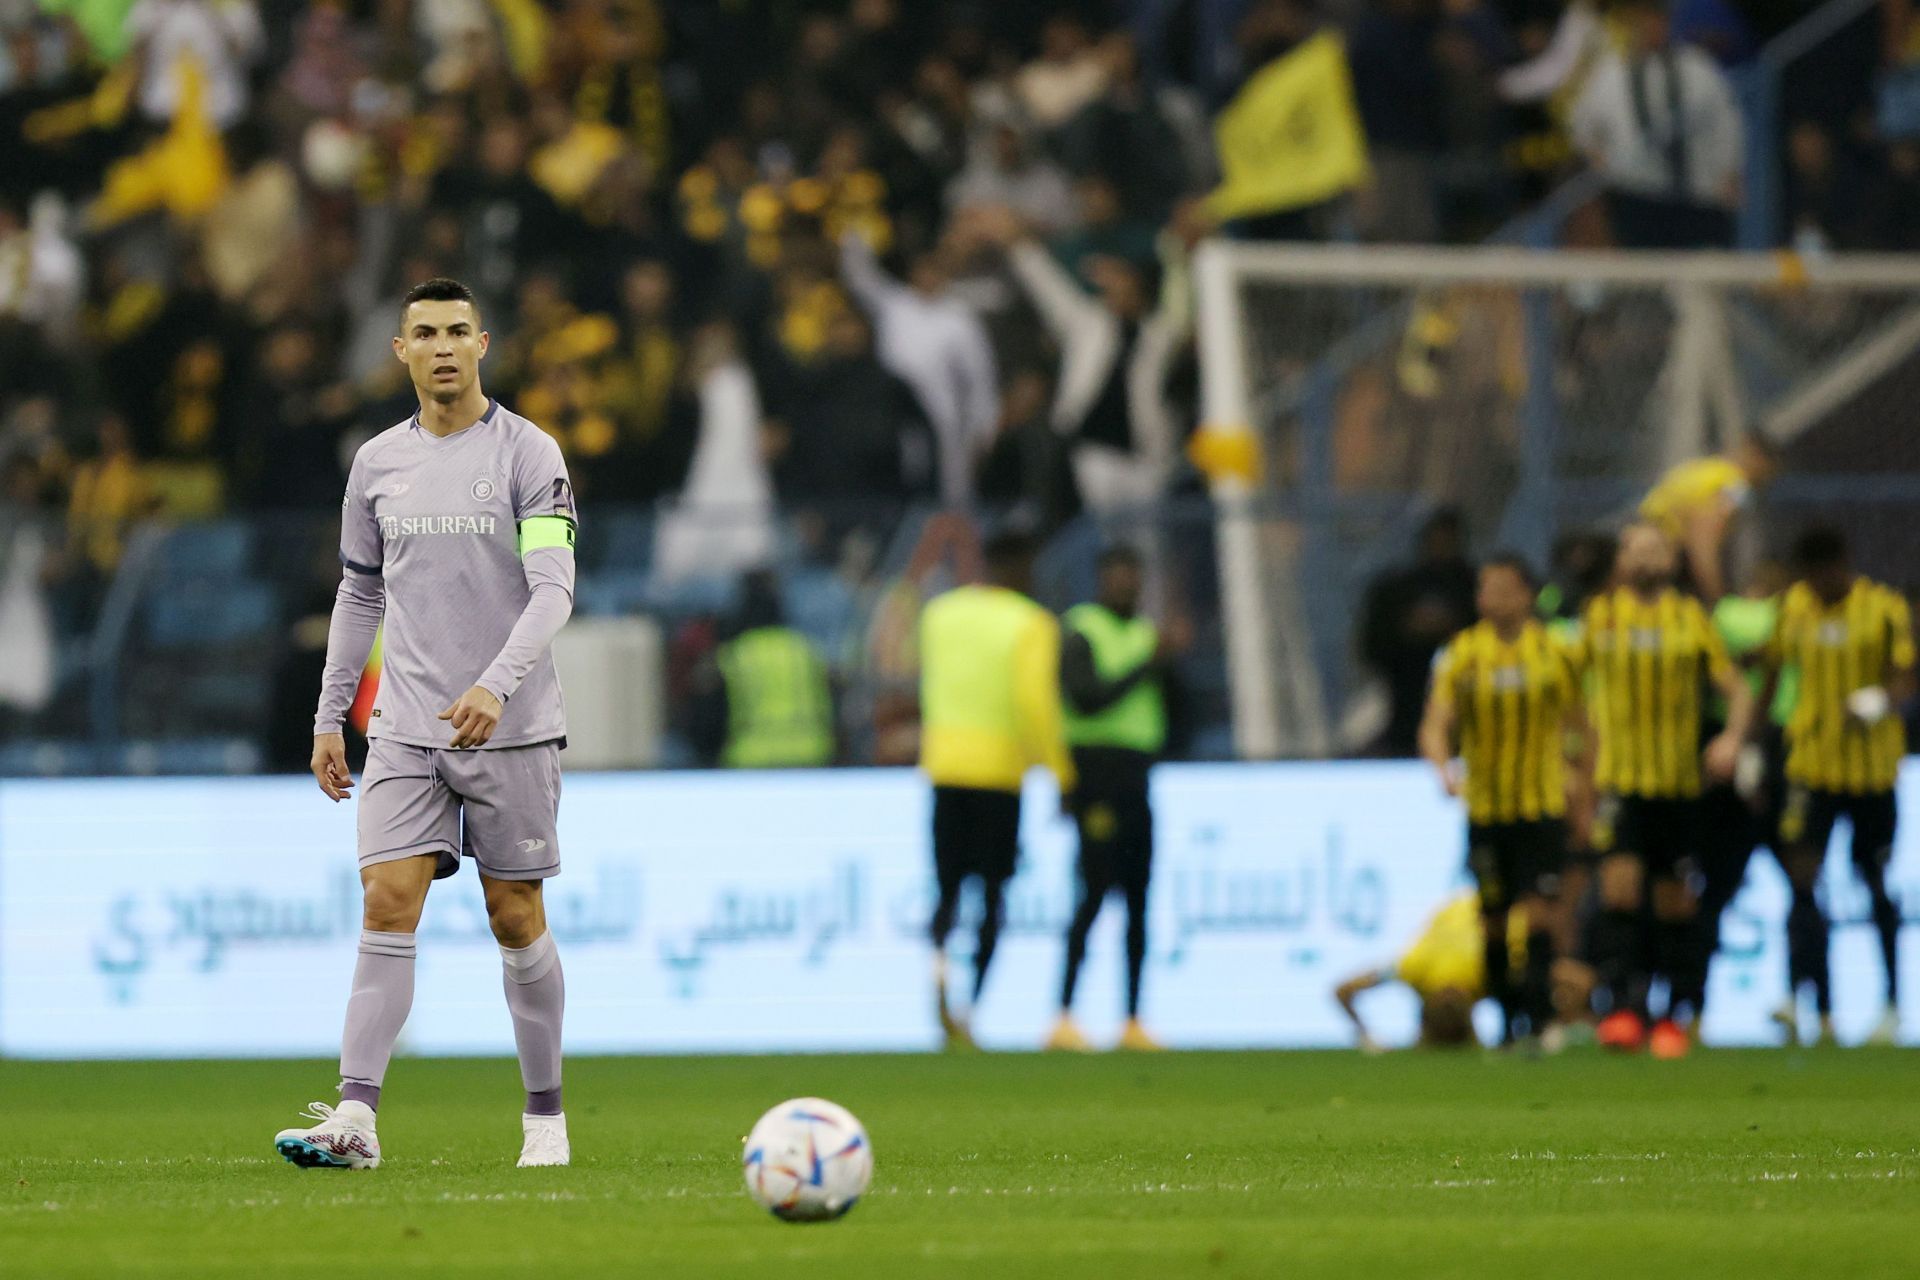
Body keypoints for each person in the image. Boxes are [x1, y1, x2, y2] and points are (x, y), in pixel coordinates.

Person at [276, 278, 578, 1170]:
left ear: (483, 344)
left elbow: (555, 588)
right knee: (386, 899)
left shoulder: (529, 452)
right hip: (405, 728)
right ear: (400, 352)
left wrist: (495, 684)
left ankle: (545, 1122)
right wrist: (332, 713)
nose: (442, 346)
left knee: (513, 912)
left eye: (457, 331)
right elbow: (360, 589)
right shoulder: (375, 463)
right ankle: (355, 1121)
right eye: (424, 334)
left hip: (512, 727)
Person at [1574, 524, 1753, 1057]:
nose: (1647, 557)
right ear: (1623, 560)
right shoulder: (1600, 618)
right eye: (1637, 549)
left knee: (1675, 902)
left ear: (1673, 560)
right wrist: (1574, 756)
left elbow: (1737, 689)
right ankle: (1626, 1009)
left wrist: (1731, 738)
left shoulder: (1691, 619)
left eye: (1656, 548)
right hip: (1620, 782)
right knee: (1620, 891)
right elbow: (1566, 691)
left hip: (1677, 783)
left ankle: (1676, 1014)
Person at [1419, 554, 1585, 1046]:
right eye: (1486, 589)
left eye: (1505, 588)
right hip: (1487, 808)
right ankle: (1506, 1023)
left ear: (1527, 594)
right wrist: (1442, 766)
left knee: (1538, 915)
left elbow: (1581, 724)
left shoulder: (1557, 651)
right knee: (1492, 923)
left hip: (1541, 804)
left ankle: (1536, 1022)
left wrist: (1583, 783)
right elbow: (1435, 723)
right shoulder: (1462, 654)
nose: (1494, 598)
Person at [920, 529, 1075, 1050]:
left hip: (943, 764)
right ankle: (970, 1007)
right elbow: (1036, 704)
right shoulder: (1031, 623)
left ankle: (939, 964)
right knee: (991, 894)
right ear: (1023, 570)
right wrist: (1060, 774)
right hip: (1000, 771)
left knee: (946, 887)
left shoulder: (940, 615)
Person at [1760, 527, 1914, 1046]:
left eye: (1826, 574)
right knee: (1801, 879)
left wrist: (1876, 700)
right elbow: (1773, 673)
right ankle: (1808, 1003)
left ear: (1844, 565)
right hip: (1812, 767)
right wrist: (1753, 748)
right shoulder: (1795, 608)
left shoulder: (1884, 608)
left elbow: (1907, 675)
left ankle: (1892, 1004)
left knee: (1874, 883)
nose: (1818, 585)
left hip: (1872, 773)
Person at [1049, 546, 1181, 1053]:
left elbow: (1173, 707)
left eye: (1133, 575)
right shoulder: (1082, 629)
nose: (1126, 584)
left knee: (1139, 900)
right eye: (1117, 574)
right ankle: (1063, 1015)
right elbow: (1086, 697)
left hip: (1136, 775)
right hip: (1095, 775)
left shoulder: (1148, 636)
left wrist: (1166, 668)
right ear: (1102, 578)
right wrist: (1147, 665)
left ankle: (1132, 1018)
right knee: (1092, 892)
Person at [1569, 0, 1745, 249]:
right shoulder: (1612, 74)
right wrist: (1601, 162)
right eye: (1644, 19)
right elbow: (1582, 126)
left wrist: (1730, 170)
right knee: (1644, 278)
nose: (1651, 27)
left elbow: (1727, 122)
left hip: (1698, 195)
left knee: (1702, 275)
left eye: (1657, 19)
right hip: (1637, 197)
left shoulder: (1698, 68)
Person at [1357, 508, 1477, 758]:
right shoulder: (1397, 590)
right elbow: (1372, 647)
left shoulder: (1472, 591)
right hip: (1404, 710)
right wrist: (1409, 632)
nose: (1441, 548)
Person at [692, 571, 837, 769]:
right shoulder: (806, 649)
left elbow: (708, 717)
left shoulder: (735, 654)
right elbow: (833, 696)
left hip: (752, 760)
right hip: (811, 755)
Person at [1334, 893, 1509, 1052]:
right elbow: (1343, 991)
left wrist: (1367, 1037)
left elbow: (1343, 991)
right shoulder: (1490, 973)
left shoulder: (1414, 967)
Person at [1639, 435, 1781, 603]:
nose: (1767, 482)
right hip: (1665, 562)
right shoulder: (1733, 487)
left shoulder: (1707, 468)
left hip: (1645, 555)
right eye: (1771, 473)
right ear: (1759, 460)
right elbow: (1702, 543)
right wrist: (1717, 600)